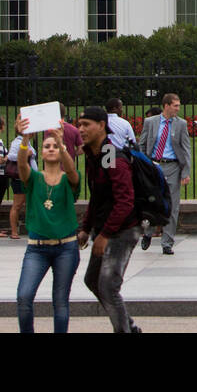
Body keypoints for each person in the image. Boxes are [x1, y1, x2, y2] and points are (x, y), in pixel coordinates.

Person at [78, 105, 142, 333]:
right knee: (93, 280)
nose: (81, 129)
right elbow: (98, 194)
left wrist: (104, 234)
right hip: (105, 229)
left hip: (123, 230)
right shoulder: (98, 156)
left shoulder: (113, 157)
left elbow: (125, 201)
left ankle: (124, 330)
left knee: (108, 286)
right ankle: (130, 327)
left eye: (86, 125)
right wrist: (87, 228)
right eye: (79, 125)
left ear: (102, 126)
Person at [14, 119, 81, 332]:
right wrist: (25, 139)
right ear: (40, 152)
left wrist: (62, 145)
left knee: (60, 301)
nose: (51, 149)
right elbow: (22, 166)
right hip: (37, 247)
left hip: (66, 247)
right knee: (24, 297)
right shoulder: (33, 178)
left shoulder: (68, 181)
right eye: (47, 146)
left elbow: (72, 172)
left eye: (54, 147)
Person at [138, 93, 191, 255]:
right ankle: (148, 233)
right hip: (154, 166)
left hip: (173, 166)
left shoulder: (181, 124)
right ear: (166, 105)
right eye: (175, 105)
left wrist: (185, 172)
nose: (178, 109)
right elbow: (142, 144)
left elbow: (185, 149)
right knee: (152, 203)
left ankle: (167, 242)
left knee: (172, 205)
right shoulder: (150, 122)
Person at [7, 125, 37, 240]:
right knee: (17, 205)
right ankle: (14, 232)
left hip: (30, 178)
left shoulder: (27, 142)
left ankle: (32, 229)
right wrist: (25, 154)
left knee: (29, 204)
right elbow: (11, 156)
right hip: (20, 178)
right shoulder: (16, 142)